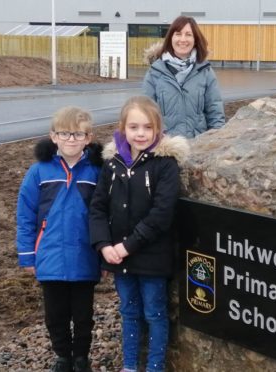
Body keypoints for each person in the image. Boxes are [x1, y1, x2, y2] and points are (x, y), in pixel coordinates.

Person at [89, 96, 189, 372]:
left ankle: (155, 366)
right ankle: (130, 365)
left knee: (155, 312)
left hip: (152, 257)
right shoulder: (112, 164)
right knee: (129, 311)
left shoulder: (165, 164)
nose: (141, 133)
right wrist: (103, 244)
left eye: (147, 127)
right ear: (123, 128)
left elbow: (161, 214)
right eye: (134, 127)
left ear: (158, 129)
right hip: (119, 257)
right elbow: (97, 207)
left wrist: (126, 247)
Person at [16, 106, 102, 372]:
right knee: (55, 315)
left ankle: (81, 358)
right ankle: (63, 357)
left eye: (78, 134)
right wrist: (28, 254)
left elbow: (106, 215)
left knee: (84, 315)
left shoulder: (97, 172)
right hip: (50, 256)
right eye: (65, 133)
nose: (71, 140)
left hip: (85, 257)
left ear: (88, 138)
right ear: (53, 136)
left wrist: (104, 255)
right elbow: (26, 215)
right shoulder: (39, 172)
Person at [143, 15, 225, 139]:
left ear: (195, 39)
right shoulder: (155, 73)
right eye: (178, 34)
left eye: (188, 34)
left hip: (198, 146)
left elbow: (215, 112)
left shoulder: (205, 72)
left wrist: (216, 142)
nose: (183, 39)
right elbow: (146, 114)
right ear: (170, 37)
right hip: (165, 148)